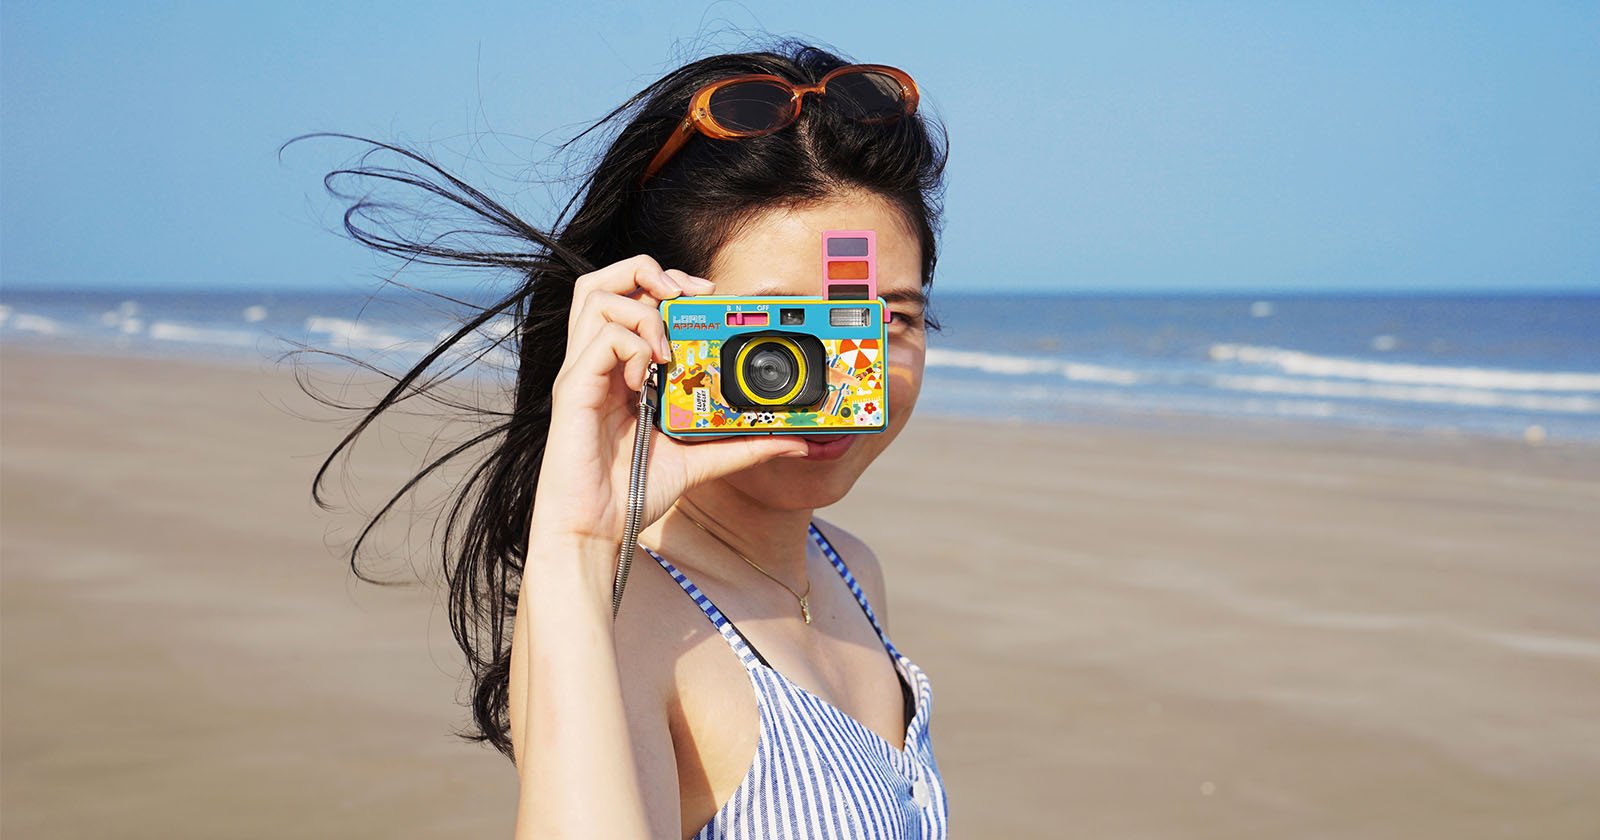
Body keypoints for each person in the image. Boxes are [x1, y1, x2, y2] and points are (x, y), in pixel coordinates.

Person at [293, 40, 949, 838]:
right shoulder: (622, 615)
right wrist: (575, 536)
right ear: (657, 322)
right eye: (783, 333)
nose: (851, 377)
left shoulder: (846, 567)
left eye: (893, 320)